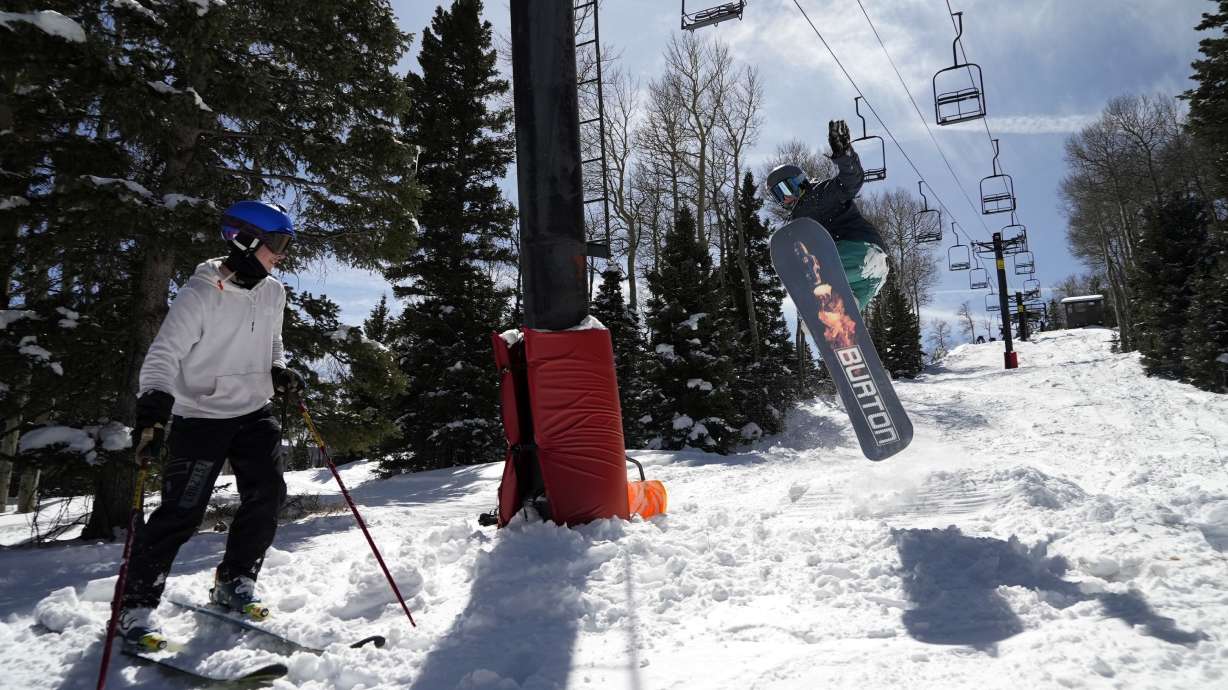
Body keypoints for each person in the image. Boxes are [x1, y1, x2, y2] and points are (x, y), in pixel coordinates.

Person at [118, 201, 306, 651]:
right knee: (181, 513)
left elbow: (272, 342)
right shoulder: (201, 293)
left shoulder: (273, 291)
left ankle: (235, 579)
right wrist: (154, 409)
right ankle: (136, 605)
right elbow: (164, 355)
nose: (281, 255)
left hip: (254, 413)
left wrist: (278, 369)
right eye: (277, 244)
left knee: (267, 496)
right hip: (200, 417)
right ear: (245, 240)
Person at [766, 120, 890, 311]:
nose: (786, 198)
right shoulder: (797, 223)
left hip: (859, 254)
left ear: (799, 182)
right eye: (779, 195)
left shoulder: (820, 193)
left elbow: (851, 181)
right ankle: (839, 318)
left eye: (787, 188)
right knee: (840, 312)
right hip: (868, 279)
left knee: (810, 274)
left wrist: (845, 156)